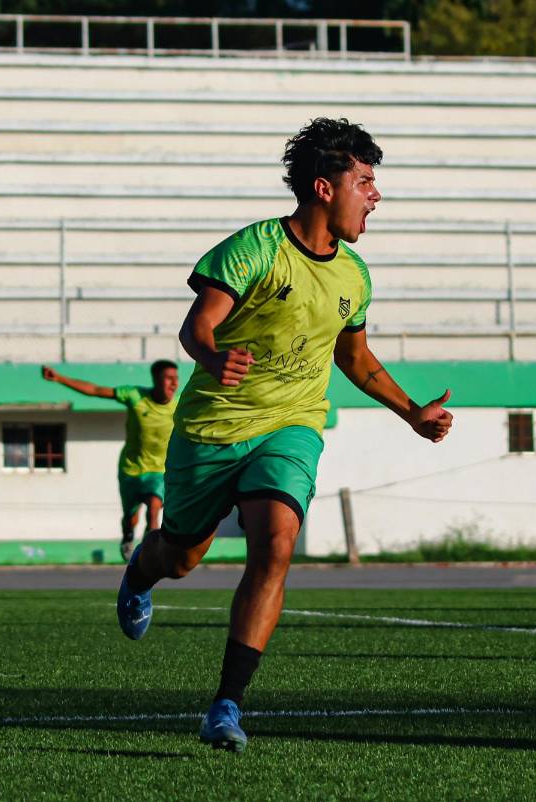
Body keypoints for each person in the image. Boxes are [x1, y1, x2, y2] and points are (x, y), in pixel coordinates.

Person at [116, 118, 454, 752]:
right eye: (366, 181)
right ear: (325, 188)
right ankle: (141, 570)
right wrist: (215, 358)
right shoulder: (253, 248)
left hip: (291, 427)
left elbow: (353, 358)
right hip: (213, 427)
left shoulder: (354, 275)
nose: (375, 196)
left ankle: (225, 705)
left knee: (276, 542)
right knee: (183, 557)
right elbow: (197, 328)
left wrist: (411, 412)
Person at [40, 361, 180, 561]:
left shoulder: (179, 406)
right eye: (168, 378)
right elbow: (96, 390)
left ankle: (150, 554)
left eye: (176, 378)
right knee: (131, 518)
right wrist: (60, 378)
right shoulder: (135, 396)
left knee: (154, 507)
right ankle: (128, 535)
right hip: (130, 469)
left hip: (158, 471)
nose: (174, 383)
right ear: (156, 380)